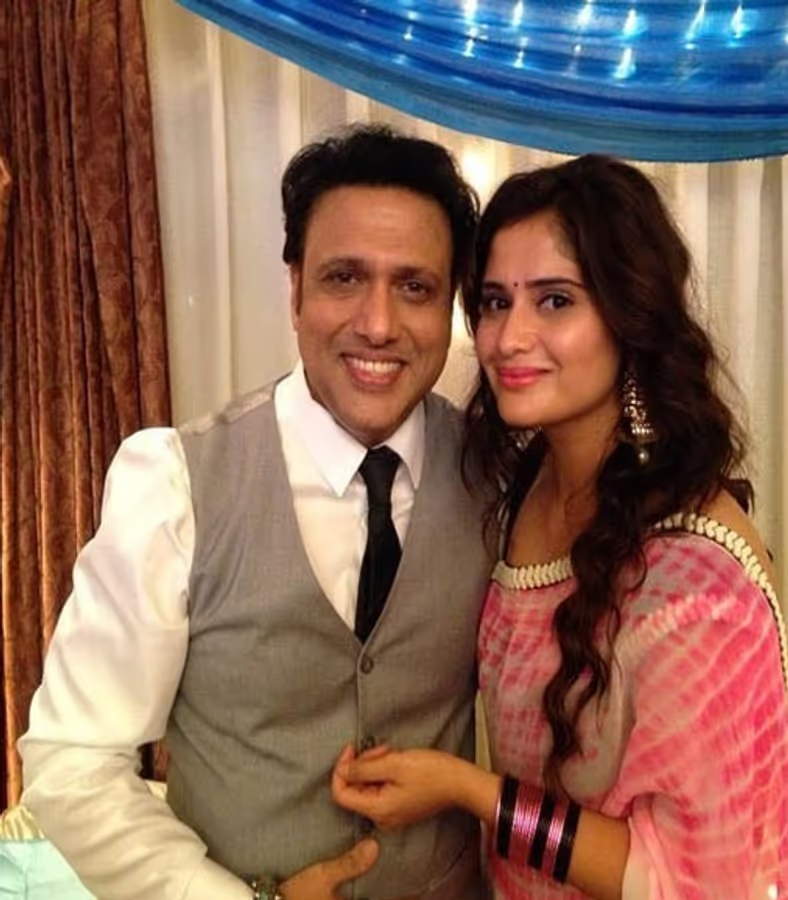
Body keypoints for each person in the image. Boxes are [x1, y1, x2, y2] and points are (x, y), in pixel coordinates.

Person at [18, 124, 495, 900]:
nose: (378, 324)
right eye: (344, 277)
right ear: (295, 289)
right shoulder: (175, 481)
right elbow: (73, 759)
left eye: (415, 287)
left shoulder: (496, 477)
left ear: (451, 307)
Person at [332, 154, 788, 900]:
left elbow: (683, 878)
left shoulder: (696, 585)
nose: (508, 338)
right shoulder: (526, 482)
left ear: (630, 315)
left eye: (554, 300)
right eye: (494, 302)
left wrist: (468, 790)